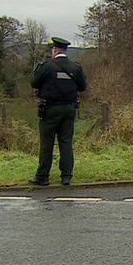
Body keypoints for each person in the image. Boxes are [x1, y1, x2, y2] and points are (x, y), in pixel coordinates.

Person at [28, 36, 87, 186]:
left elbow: (34, 83)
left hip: (50, 109)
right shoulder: (75, 68)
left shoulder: (47, 66)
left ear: (54, 50)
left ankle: (43, 176)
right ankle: (66, 176)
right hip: (69, 109)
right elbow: (83, 87)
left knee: (47, 143)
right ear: (65, 51)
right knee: (66, 141)